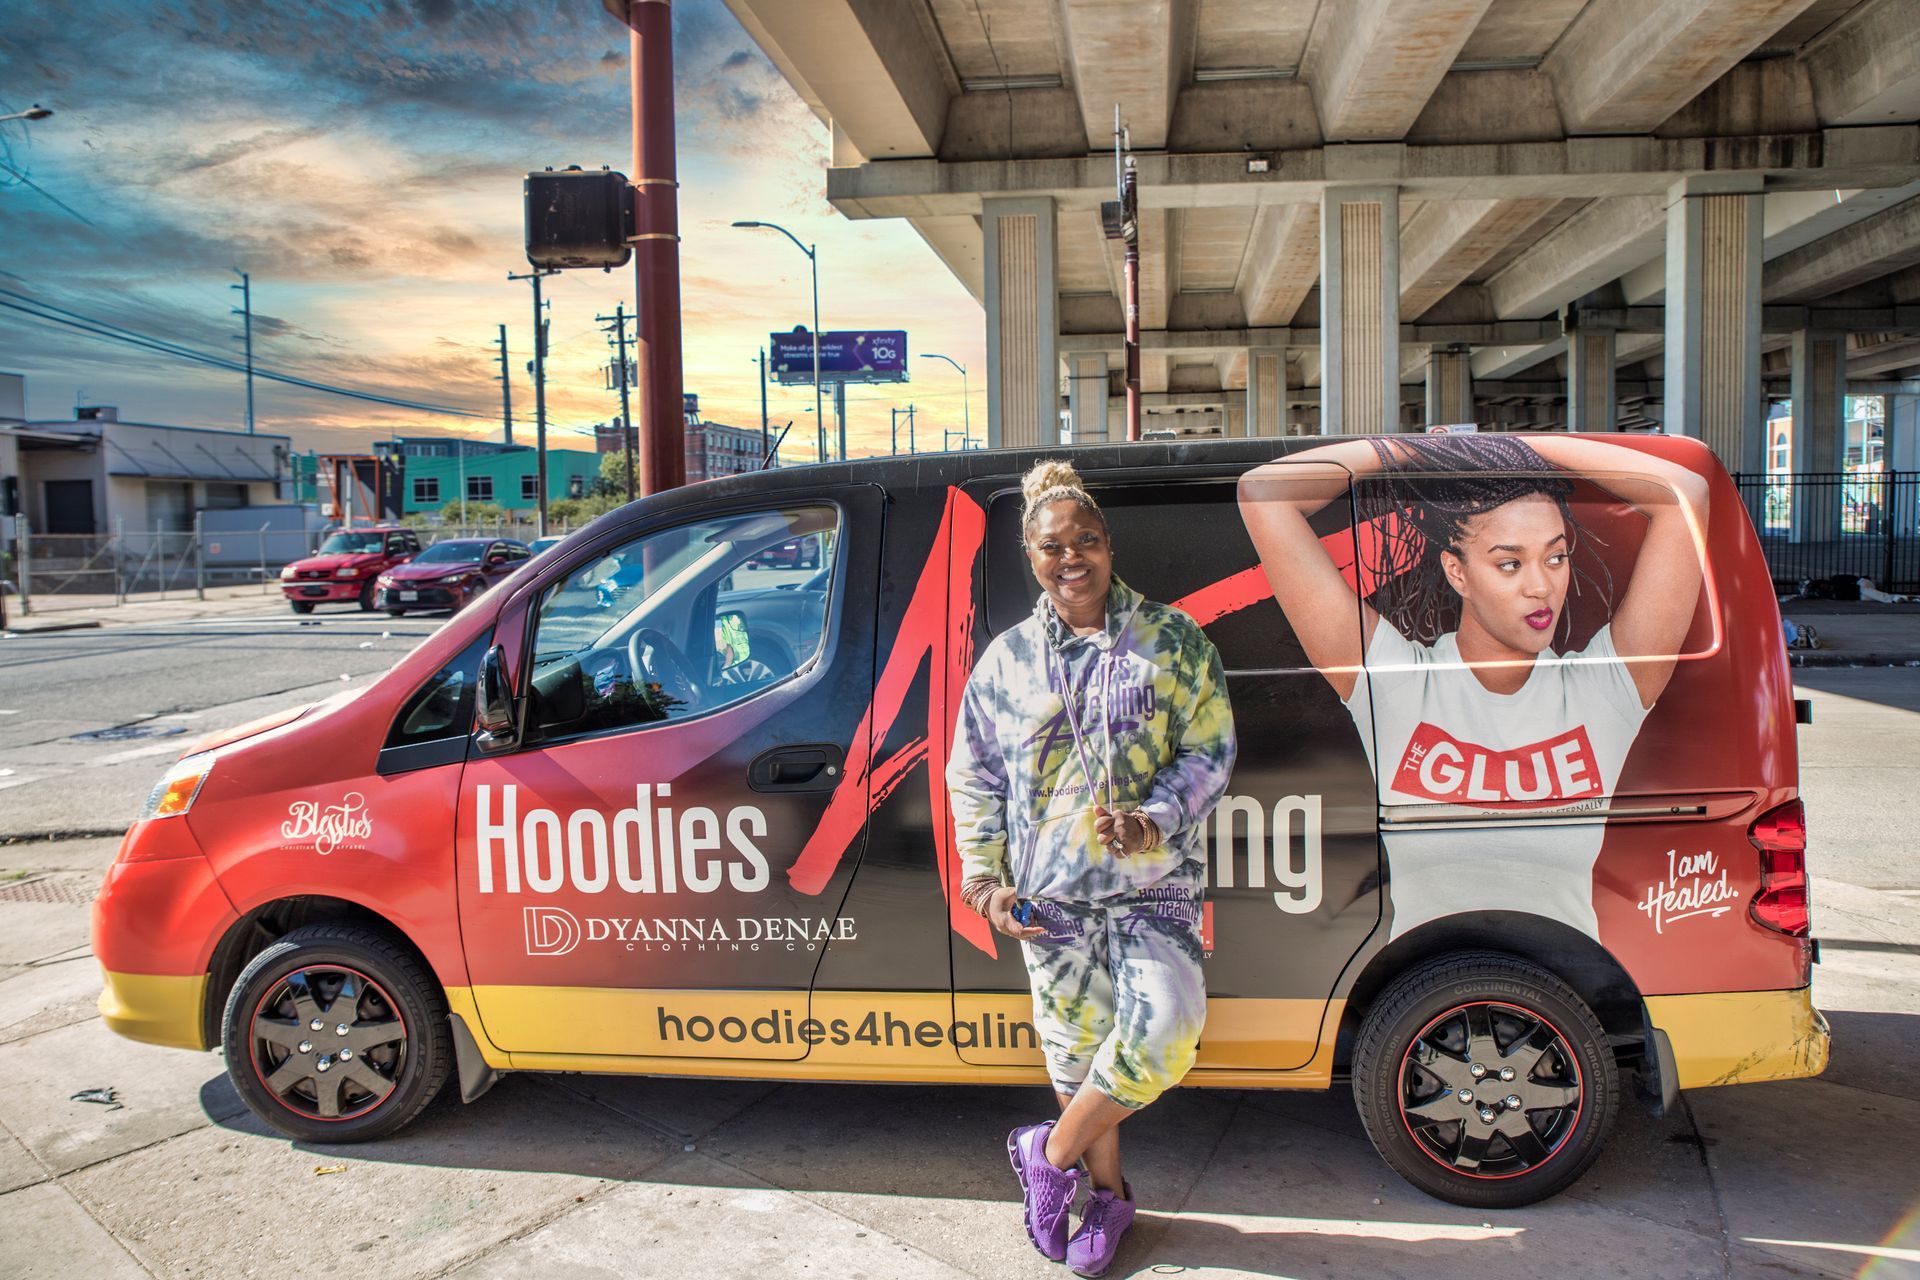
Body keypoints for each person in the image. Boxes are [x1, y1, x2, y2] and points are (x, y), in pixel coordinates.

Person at [1237, 433, 1709, 941]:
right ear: (1457, 572)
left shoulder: (1605, 690)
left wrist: (1511, 446)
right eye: (1510, 563)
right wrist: (1417, 449)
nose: (1540, 585)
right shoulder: (1397, 686)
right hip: (1425, 1005)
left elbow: (1685, 491)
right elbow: (1264, 495)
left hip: (1560, 1004)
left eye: (1555, 557)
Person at [948, 460, 1237, 1277]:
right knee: (1079, 1058)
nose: (1070, 558)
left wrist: (1156, 817)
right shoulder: (1005, 663)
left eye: (1086, 541)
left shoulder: (1173, 640)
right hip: (1050, 896)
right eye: (1052, 547)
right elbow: (973, 776)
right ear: (1029, 558)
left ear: (1108, 545)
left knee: (1168, 1035)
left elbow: (1210, 749)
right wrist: (984, 881)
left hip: (1154, 887)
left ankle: (1048, 1152)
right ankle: (1104, 1199)